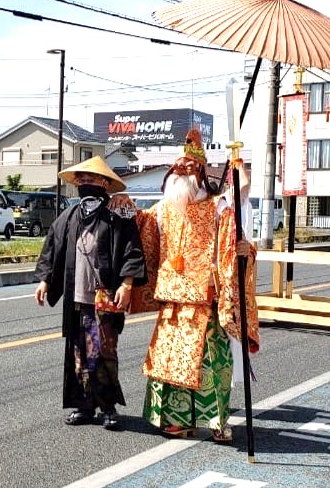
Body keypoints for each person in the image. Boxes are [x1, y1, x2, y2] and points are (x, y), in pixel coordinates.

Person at [134, 129, 260, 444]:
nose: (181, 172)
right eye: (177, 167)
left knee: (213, 367)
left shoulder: (217, 205)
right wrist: (121, 208)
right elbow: (139, 233)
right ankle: (176, 422)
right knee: (169, 364)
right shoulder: (162, 209)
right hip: (173, 302)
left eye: (189, 167)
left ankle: (217, 421)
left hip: (207, 300)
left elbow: (241, 192)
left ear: (201, 173)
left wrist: (237, 163)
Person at [34, 157, 147, 430]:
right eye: (82, 180)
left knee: (104, 353)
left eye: (92, 179)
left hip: (103, 298)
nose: (86, 183)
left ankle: (108, 408)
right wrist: (45, 281)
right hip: (76, 298)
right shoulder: (69, 217)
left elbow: (132, 250)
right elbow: (53, 248)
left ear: (105, 184)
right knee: (78, 354)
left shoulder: (118, 214)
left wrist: (127, 284)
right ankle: (84, 405)